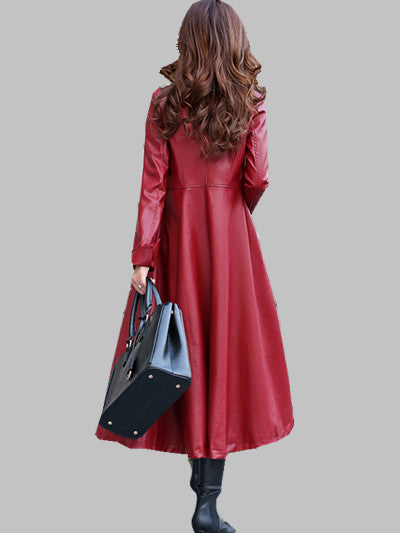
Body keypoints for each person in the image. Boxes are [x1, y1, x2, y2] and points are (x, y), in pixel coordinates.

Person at [95, 1, 294, 531]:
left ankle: (201, 489)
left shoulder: (164, 104)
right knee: (224, 359)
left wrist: (142, 257)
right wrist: (228, 210)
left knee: (181, 355)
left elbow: (153, 186)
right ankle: (208, 503)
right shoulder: (250, 101)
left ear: (187, 42)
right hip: (231, 243)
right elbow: (258, 177)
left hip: (177, 242)